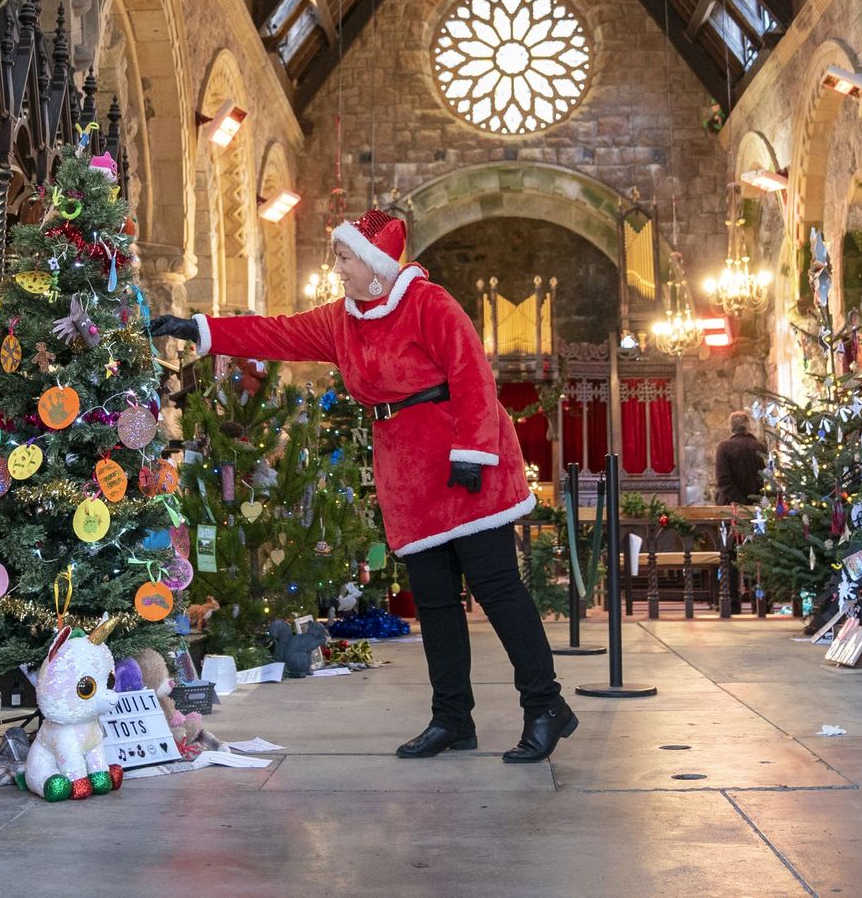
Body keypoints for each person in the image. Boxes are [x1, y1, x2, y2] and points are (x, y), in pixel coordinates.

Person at [148, 209, 576, 764]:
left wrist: (471, 450)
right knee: (436, 602)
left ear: (373, 263)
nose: (338, 269)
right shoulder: (343, 320)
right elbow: (275, 331)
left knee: (497, 590)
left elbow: (472, 373)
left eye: (344, 258)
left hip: (465, 463)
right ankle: (452, 718)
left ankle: (545, 706)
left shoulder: (429, 304)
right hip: (408, 476)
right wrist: (199, 328)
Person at [714, 411, 768, 505]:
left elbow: (723, 480)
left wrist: (740, 502)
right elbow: (766, 477)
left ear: (731, 427)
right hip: (757, 504)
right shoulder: (760, 447)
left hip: (731, 505)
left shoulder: (724, 447)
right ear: (748, 426)